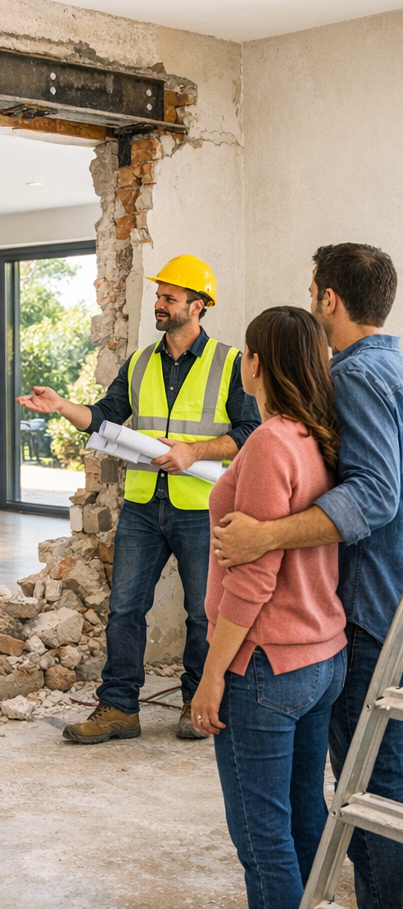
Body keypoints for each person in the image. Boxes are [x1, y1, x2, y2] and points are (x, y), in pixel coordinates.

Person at [213, 243, 402, 909]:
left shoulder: (352, 381)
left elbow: (377, 495)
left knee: (363, 794)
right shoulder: (378, 377)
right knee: (334, 802)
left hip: (338, 628)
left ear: (329, 299)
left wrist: (265, 534)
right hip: (337, 635)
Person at [18, 254, 260, 743]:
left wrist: (195, 451)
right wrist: (64, 406)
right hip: (145, 506)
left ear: (198, 305)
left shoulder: (230, 363)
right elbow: (105, 418)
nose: (160, 303)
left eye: (170, 297)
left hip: (201, 508)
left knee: (201, 613)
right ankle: (118, 709)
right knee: (126, 608)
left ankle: (196, 702)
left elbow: (250, 430)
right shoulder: (141, 362)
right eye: (159, 295)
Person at [191, 306, 345, 909]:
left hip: (264, 667)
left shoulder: (268, 443)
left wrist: (211, 676)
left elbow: (253, 579)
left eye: (245, 354)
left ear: (259, 364)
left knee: (262, 841)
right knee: (305, 818)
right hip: (321, 657)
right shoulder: (320, 435)